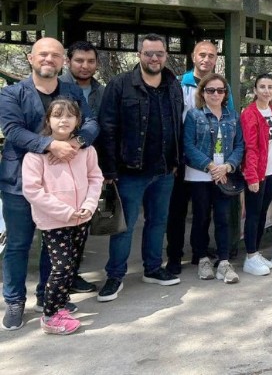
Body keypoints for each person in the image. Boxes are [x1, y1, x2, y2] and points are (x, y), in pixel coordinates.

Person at [0, 37, 98, 331]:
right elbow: (12, 130)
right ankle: (15, 300)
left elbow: (91, 123)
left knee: (53, 246)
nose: (48, 59)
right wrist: (50, 145)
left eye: (55, 55)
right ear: (31, 58)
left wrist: (77, 143)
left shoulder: (72, 91)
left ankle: (49, 297)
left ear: (62, 62)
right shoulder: (12, 94)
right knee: (18, 245)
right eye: (43, 54)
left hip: (61, 184)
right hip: (19, 181)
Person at [97, 33, 184, 302]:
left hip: (164, 170)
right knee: (125, 226)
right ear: (139, 55)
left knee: (158, 222)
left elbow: (177, 126)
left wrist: (176, 161)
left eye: (159, 53)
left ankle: (153, 268)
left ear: (166, 56)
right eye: (148, 53)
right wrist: (109, 171)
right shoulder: (120, 85)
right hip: (129, 171)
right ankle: (115, 275)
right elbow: (107, 129)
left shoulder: (173, 85)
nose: (154, 58)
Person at [22, 99, 103, 335]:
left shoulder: (87, 151)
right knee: (61, 266)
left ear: (78, 121)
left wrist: (89, 206)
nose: (64, 120)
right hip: (54, 221)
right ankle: (49, 315)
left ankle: (61, 306)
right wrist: (66, 211)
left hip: (81, 219)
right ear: (48, 120)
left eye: (70, 116)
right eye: (58, 115)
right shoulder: (35, 156)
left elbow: (95, 179)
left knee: (72, 266)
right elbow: (33, 191)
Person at [166, 40, 234, 274]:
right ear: (193, 56)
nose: (206, 59)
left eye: (212, 55)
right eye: (202, 55)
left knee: (209, 212)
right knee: (178, 211)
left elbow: (230, 126)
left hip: (214, 163)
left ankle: (200, 254)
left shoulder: (222, 87)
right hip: (182, 159)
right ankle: (174, 256)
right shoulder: (177, 84)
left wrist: (226, 164)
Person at [183, 74, 245, 284]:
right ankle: (202, 259)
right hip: (200, 175)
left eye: (220, 90)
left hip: (224, 175)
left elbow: (239, 145)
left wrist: (227, 166)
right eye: (211, 90)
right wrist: (210, 166)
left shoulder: (233, 116)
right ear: (203, 93)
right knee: (201, 218)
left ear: (225, 94)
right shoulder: (193, 115)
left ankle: (225, 262)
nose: (215, 94)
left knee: (224, 218)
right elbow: (188, 146)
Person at [59, 40, 104, 294]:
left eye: (90, 61)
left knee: (80, 224)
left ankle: (72, 276)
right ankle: (52, 285)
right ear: (68, 61)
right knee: (56, 228)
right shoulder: (59, 86)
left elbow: (104, 127)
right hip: (56, 163)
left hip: (87, 165)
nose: (85, 66)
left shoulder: (102, 90)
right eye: (79, 60)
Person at [240, 74, 272, 276]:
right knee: (253, 214)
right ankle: (249, 256)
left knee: (262, 213)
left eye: (270, 87)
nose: (266, 90)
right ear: (255, 90)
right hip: (258, 172)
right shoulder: (250, 113)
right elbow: (250, 147)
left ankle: (256, 252)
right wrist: (252, 176)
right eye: (262, 87)